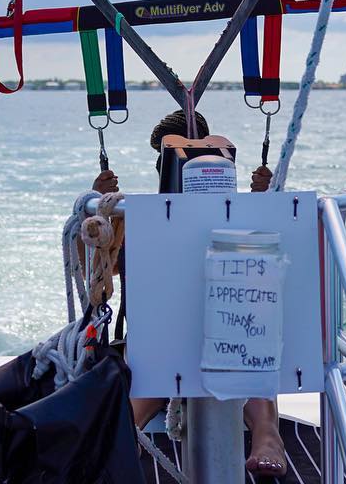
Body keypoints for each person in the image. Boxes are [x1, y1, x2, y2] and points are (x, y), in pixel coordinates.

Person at [92, 109, 286, 478]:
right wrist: (104, 207)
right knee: (145, 371)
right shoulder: (139, 216)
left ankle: (266, 433)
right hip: (158, 340)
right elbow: (102, 273)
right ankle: (124, 437)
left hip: (230, 333)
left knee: (249, 354)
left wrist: (265, 200)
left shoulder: (237, 213)